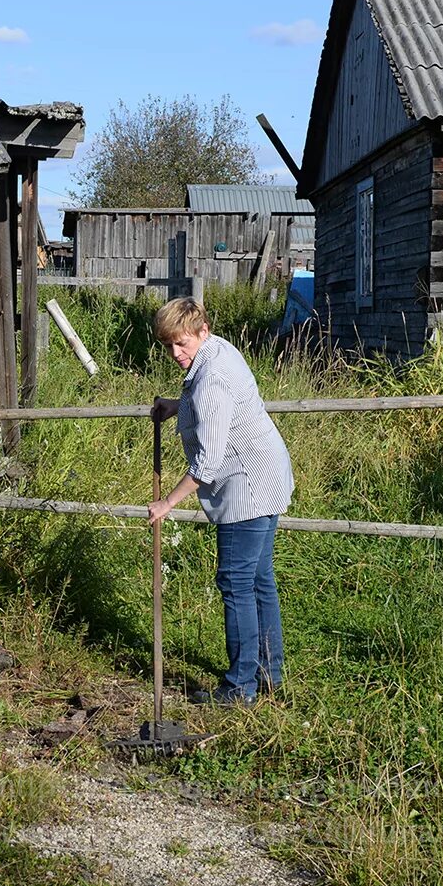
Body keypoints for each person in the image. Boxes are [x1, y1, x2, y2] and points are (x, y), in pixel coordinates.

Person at [146, 298, 294, 706]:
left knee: (236, 582)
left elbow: (207, 465)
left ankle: (240, 688)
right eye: (169, 346)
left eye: (181, 344)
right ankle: (268, 673)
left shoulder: (211, 375)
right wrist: (179, 407)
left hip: (246, 489)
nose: (176, 354)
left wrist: (166, 504)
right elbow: (219, 410)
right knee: (258, 578)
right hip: (267, 476)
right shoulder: (218, 351)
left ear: (202, 331)